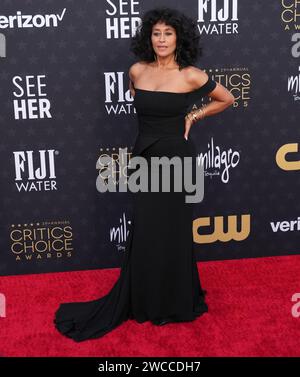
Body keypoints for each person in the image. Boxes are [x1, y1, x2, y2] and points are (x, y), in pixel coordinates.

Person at [54, 7, 234, 342]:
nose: (162, 39)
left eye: (168, 33)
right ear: (148, 37)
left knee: (174, 231)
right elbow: (143, 105)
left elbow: (227, 98)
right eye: (156, 33)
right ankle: (146, 298)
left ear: (178, 37)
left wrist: (193, 117)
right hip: (145, 158)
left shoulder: (191, 75)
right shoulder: (136, 71)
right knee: (148, 230)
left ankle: (176, 301)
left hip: (177, 160)